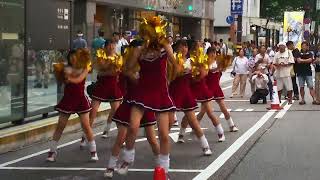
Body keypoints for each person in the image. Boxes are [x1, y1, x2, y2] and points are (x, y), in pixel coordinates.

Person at [117, 16, 179, 178]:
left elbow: (175, 65)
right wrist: (135, 77)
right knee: (133, 127)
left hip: (160, 93)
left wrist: (170, 77)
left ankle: (163, 169)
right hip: (142, 92)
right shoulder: (139, 50)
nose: (149, 36)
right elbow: (127, 69)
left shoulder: (165, 46)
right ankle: (128, 159)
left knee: (164, 135)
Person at [104, 40, 160, 178]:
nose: (140, 51)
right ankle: (111, 167)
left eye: (141, 49)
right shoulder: (126, 64)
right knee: (121, 137)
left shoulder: (147, 63)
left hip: (145, 104)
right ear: (132, 49)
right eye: (137, 48)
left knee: (152, 139)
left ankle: (162, 169)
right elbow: (123, 82)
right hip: (130, 103)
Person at [47, 49, 98, 162]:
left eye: (75, 56)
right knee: (61, 125)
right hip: (68, 99)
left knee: (86, 125)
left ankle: (93, 151)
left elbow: (78, 80)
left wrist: (68, 77)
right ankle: (52, 151)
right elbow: (61, 82)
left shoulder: (85, 68)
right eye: (70, 57)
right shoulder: (65, 68)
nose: (72, 59)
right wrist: (57, 73)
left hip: (80, 99)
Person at [168, 40, 212, 155]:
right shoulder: (172, 59)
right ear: (176, 48)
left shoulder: (190, 61)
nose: (184, 49)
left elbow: (196, 78)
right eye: (182, 46)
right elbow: (169, 77)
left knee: (193, 120)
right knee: (169, 121)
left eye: (186, 46)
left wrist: (199, 74)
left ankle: (205, 146)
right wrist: (178, 72)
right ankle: (163, 150)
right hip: (173, 92)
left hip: (186, 92)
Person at [188, 41, 226, 142]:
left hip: (204, 88)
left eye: (201, 47)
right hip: (191, 88)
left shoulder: (204, 60)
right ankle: (182, 134)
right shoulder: (189, 60)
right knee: (188, 113)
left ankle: (220, 133)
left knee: (209, 112)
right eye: (197, 47)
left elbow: (206, 73)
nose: (199, 48)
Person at [86, 39, 123, 142]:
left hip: (113, 87)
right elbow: (100, 72)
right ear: (105, 47)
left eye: (114, 46)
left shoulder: (119, 57)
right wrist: (111, 69)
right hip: (101, 86)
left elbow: (118, 72)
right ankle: (85, 137)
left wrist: (115, 71)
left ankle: (118, 136)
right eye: (110, 46)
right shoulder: (100, 56)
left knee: (117, 112)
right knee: (93, 112)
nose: (112, 48)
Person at [205, 47, 239, 132]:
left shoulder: (217, 62)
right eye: (211, 53)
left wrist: (226, 61)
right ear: (208, 54)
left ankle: (231, 125)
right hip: (207, 89)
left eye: (214, 53)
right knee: (203, 110)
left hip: (216, 88)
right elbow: (210, 70)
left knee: (223, 107)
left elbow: (223, 69)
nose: (213, 54)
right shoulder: (205, 62)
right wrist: (218, 68)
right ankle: (195, 125)